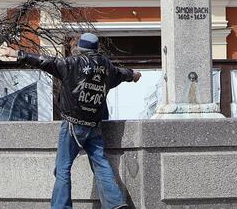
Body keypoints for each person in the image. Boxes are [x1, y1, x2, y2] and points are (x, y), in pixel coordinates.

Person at [8, 33, 141, 209]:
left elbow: (45, 61)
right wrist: (133, 74)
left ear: (80, 47)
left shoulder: (71, 64)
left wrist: (18, 54)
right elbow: (122, 73)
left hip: (72, 124)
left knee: (63, 168)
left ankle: (61, 206)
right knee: (101, 164)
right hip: (94, 125)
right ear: (96, 48)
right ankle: (115, 204)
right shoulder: (107, 67)